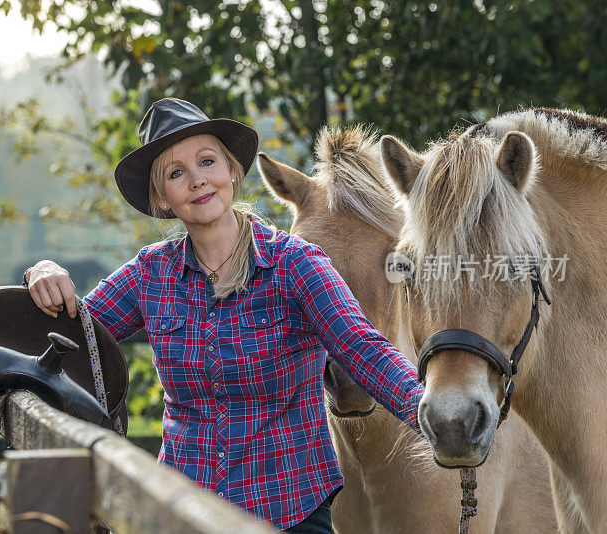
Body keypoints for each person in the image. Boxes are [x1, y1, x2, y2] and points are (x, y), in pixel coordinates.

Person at [24, 98, 425, 532]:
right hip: (181, 511)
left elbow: (362, 347)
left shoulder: (296, 264)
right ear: (162, 198)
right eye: (177, 173)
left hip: (289, 511)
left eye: (207, 161)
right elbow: (71, 331)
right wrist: (40, 273)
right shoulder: (150, 275)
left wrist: (425, 409)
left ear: (232, 170)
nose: (198, 180)